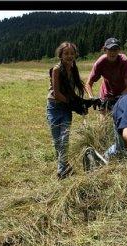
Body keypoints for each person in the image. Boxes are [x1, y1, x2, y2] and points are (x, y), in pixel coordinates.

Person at [46, 41, 87, 179]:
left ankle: (61, 170)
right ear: (61, 55)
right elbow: (57, 94)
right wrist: (73, 103)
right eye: (66, 53)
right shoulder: (56, 69)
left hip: (65, 108)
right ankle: (63, 164)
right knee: (57, 141)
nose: (69, 56)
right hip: (53, 108)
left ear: (75, 55)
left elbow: (72, 91)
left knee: (64, 139)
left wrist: (80, 102)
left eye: (72, 53)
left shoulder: (73, 69)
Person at [85, 37, 127, 121]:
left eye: (115, 49)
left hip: (122, 94)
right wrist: (92, 98)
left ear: (119, 51)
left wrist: (118, 99)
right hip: (106, 95)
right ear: (105, 50)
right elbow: (88, 84)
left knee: (120, 123)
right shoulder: (101, 62)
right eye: (109, 49)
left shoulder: (124, 61)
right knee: (104, 125)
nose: (112, 52)